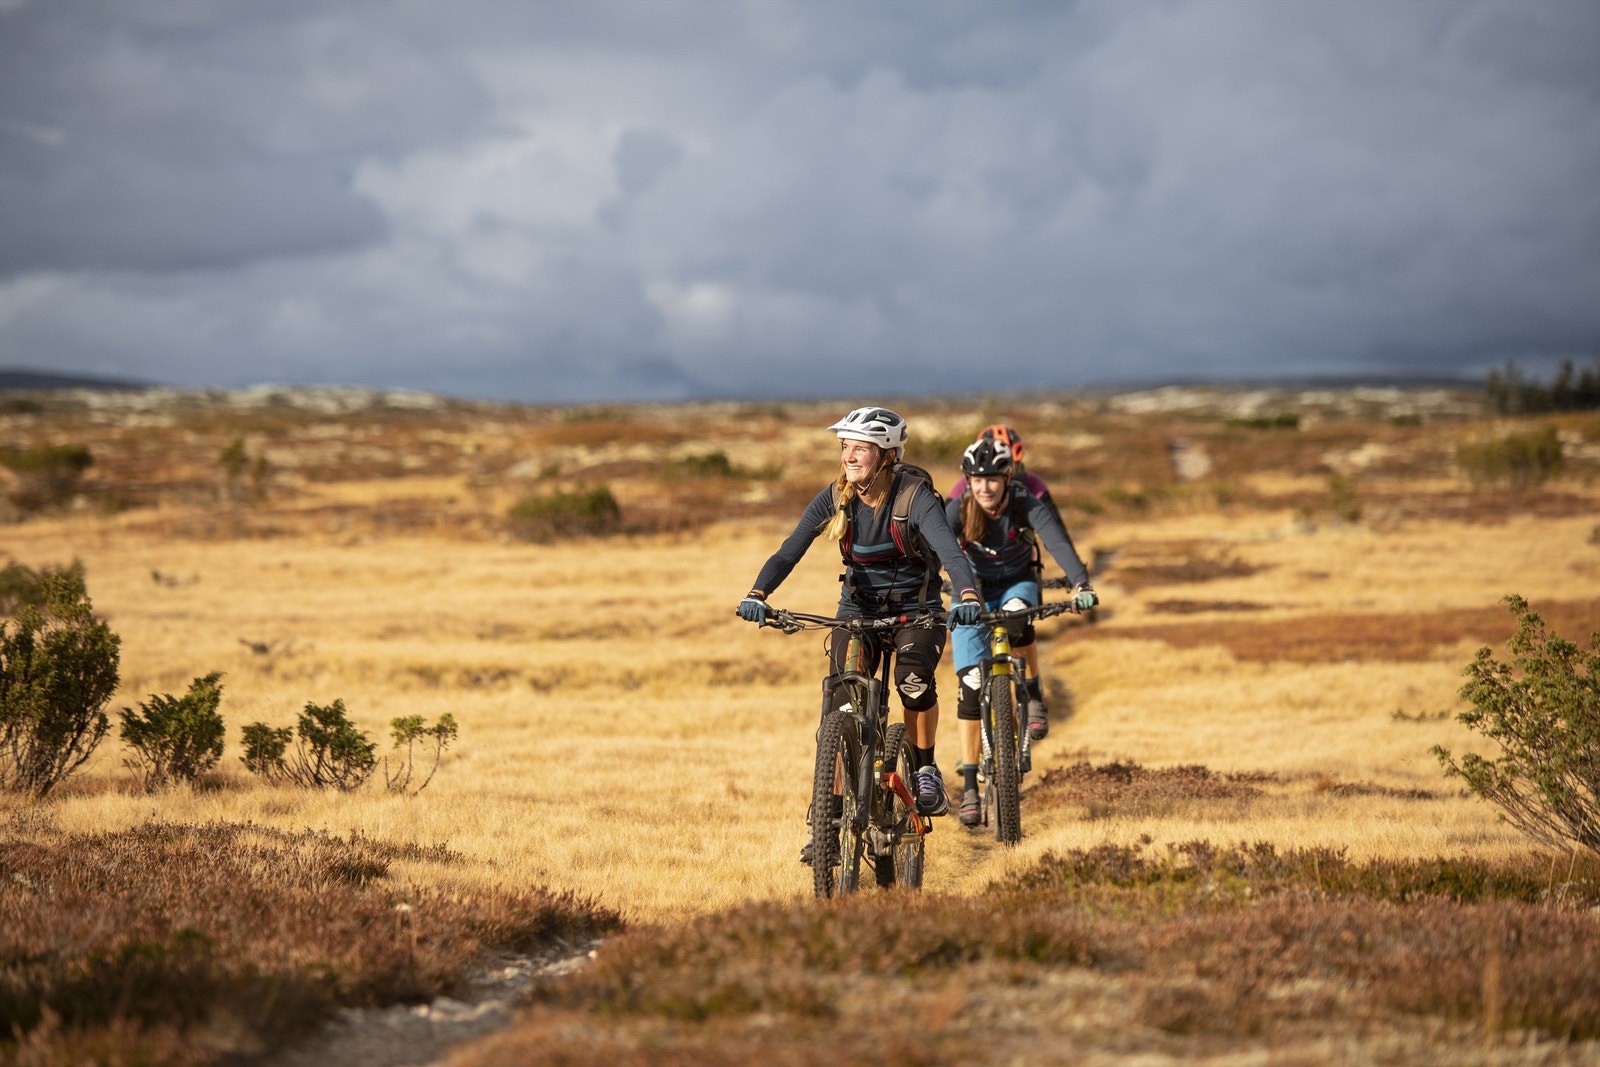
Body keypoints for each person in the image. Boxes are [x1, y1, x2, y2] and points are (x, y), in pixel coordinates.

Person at [737, 405, 984, 828]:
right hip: (857, 610)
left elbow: (950, 552)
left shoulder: (913, 497)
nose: (848, 457)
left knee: (913, 682)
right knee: (841, 702)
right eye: (845, 447)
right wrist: (758, 593)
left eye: (860, 449)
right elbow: (789, 550)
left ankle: (925, 769)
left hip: (916, 611)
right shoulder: (836, 497)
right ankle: (828, 817)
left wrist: (967, 595)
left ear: (887, 456)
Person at [946, 436, 1098, 828]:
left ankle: (1031, 695)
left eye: (993, 479)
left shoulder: (1023, 502)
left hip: (1016, 582)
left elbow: (1057, 542)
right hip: (972, 588)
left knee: (1017, 615)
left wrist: (1080, 582)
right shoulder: (958, 508)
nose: (984, 487)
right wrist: (926, 590)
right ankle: (968, 787)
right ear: (968, 481)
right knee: (970, 682)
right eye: (976, 480)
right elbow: (935, 552)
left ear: (1007, 476)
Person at [946, 422, 1068, 734]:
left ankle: (1033, 692)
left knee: (1022, 628)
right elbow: (942, 535)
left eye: (1010, 465)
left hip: (1017, 570)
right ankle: (982, 737)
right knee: (974, 660)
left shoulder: (1032, 486)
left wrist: (1073, 572)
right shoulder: (963, 490)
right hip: (977, 579)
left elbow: (1055, 530)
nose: (988, 484)